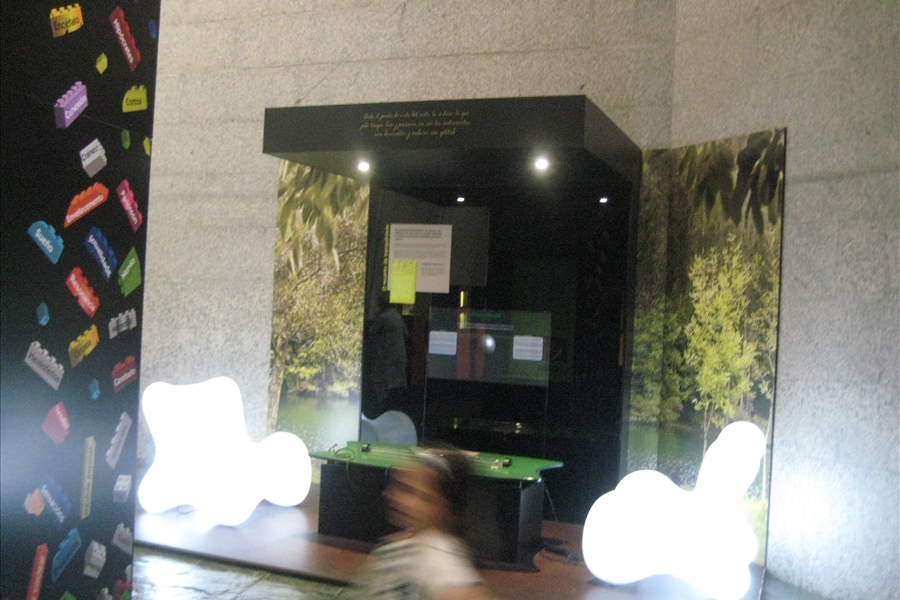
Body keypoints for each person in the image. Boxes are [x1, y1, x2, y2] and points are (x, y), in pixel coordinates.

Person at [347, 449, 500, 600]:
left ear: (441, 505)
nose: (390, 494)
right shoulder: (402, 547)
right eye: (395, 485)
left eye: (407, 489)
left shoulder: (438, 557)